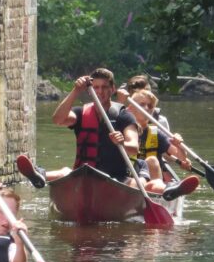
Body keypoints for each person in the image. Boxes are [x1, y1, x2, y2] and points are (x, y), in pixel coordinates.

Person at [17, 67, 149, 189]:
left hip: (115, 179)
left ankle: (144, 181)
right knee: (65, 172)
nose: (100, 92)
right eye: (96, 87)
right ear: (90, 91)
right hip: (84, 176)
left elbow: (133, 148)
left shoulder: (124, 116)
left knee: (135, 184)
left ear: (112, 89)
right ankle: (39, 175)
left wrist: (122, 143)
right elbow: (58, 120)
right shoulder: (81, 113)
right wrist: (76, 90)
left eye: (104, 87)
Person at [124, 89, 199, 200]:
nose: (146, 108)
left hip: (150, 180)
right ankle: (165, 189)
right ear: (130, 108)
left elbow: (182, 158)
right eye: (142, 104)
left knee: (152, 160)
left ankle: (166, 189)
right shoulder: (123, 128)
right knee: (150, 163)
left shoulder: (155, 133)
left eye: (150, 106)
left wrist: (178, 144)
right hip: (130, 178)